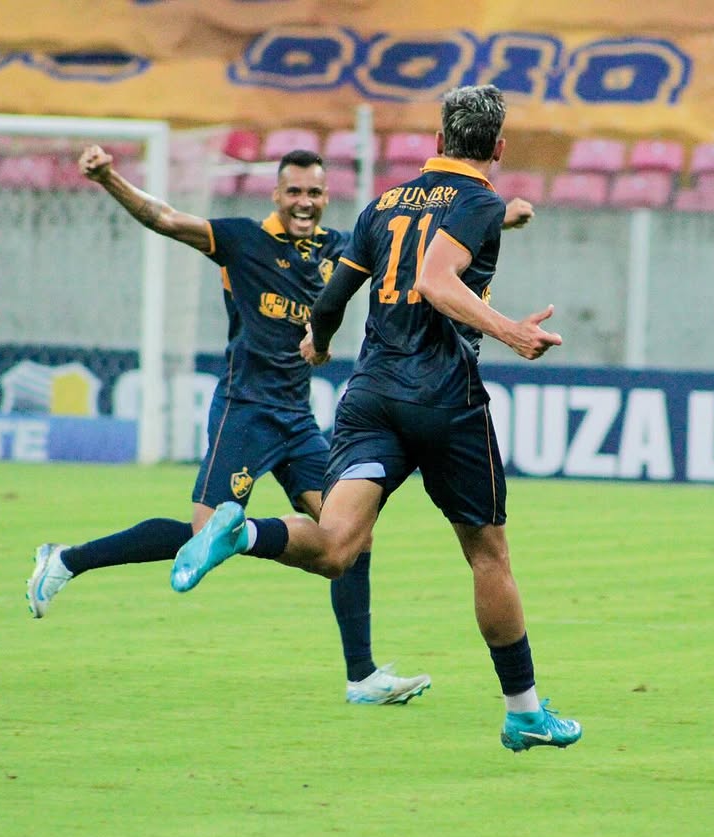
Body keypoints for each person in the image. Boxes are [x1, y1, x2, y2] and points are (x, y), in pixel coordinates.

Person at [170, 85, 582, 752]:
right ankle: (525, 710)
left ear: (437, 141)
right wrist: (510, 331)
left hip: (371, 396)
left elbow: (331, 298)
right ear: (499, 149)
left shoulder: (384, 204)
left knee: (336, 546)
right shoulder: (479, 201)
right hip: (444, 401)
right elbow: (436, 281)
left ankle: (241, 533)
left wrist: (322, 343)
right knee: (488, 554)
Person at [26, 146, 437, 704]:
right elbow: (163, 218)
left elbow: (406, 247)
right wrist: (108, 178)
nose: (305, 202)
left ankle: (361, 677)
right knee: (203, 536)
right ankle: (66, 559)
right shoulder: (243, 239)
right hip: (244, 411)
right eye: (294, 191)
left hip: (297, 420)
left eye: (314, 192)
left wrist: (493, 218)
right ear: (276, 194)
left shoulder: (336, 249)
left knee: (351, 536)